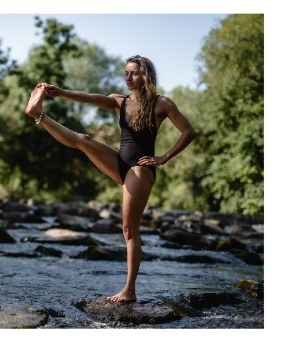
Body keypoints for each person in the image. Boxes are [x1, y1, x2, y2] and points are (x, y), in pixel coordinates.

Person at [25, 55, 196, 303]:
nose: (128, 77)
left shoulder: (162, 104)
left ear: (145, 75)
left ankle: (130, 290)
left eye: (133, 73)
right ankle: (39, 115)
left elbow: (189, 131)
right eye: (126, 73)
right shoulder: (120, 101)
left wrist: (164, 157)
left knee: (129, 229)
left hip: (140, 170)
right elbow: (91, 98)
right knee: (83, 140)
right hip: (120, 163)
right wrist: (61, 92)